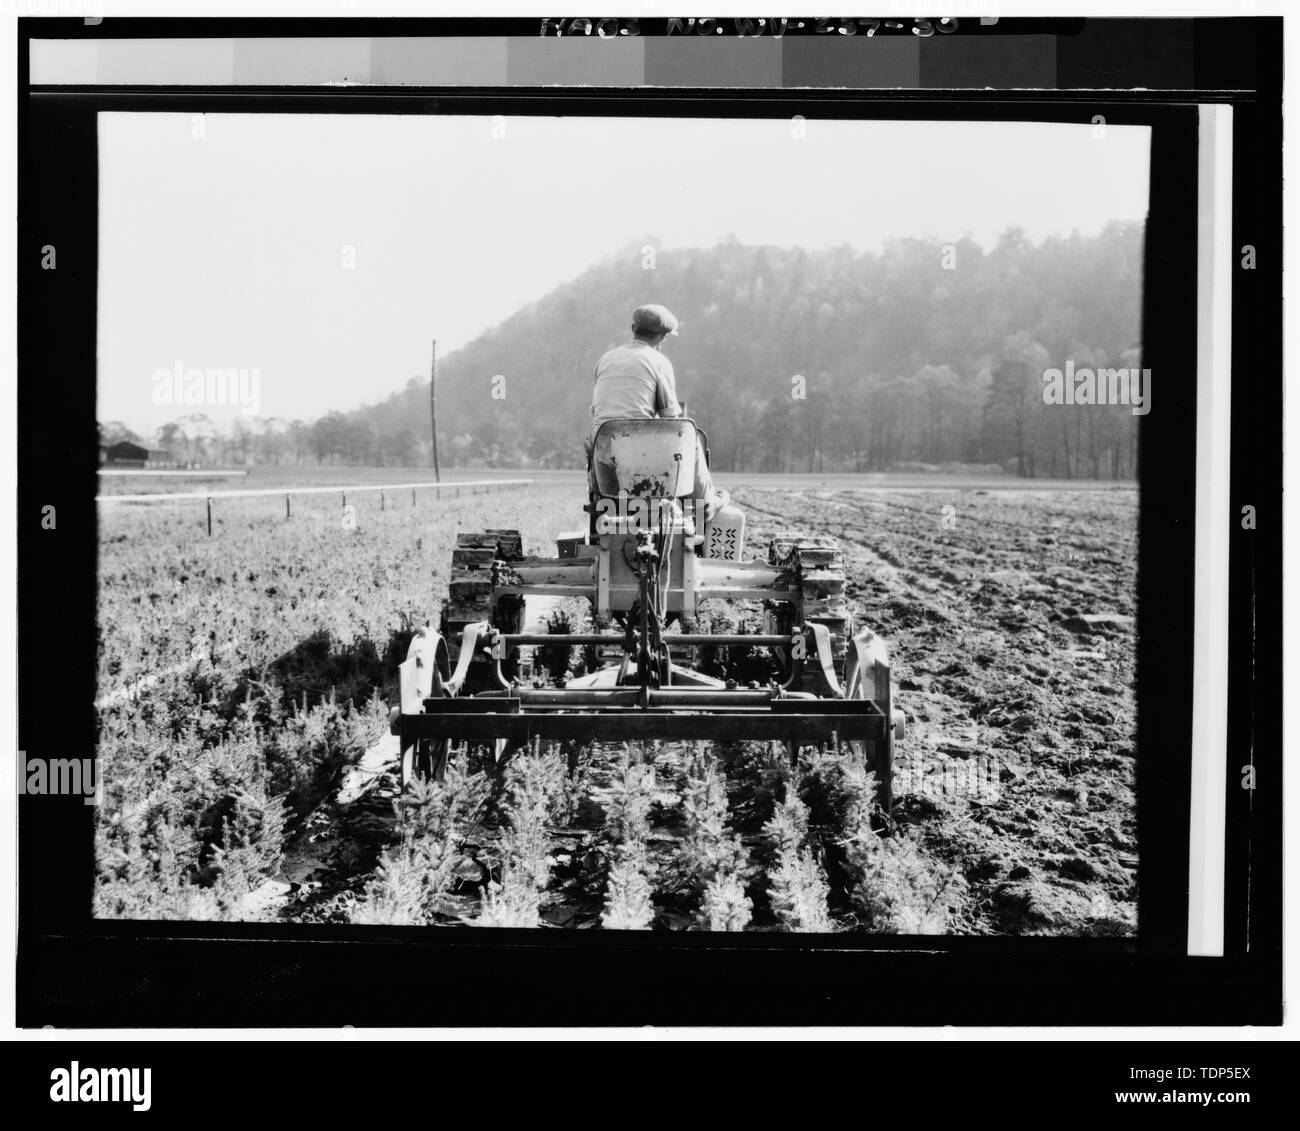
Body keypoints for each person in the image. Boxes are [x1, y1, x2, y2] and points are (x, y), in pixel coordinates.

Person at [587, 304, 730, 520]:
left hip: (604, 460)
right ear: (663, 337)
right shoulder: (659, 362)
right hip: (641, 459)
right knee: (688, 434)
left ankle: (600, 503)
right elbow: (670, 419)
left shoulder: (605, 360)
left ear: (633, 327)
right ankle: (705, 505)